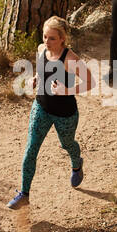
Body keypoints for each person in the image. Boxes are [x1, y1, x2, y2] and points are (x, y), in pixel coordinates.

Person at [7, 16, 91, 209]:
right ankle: (24, 193)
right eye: (45, 36)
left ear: (62, 38)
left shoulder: (70, 59)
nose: (47, 41)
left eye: (52, 38)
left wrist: (67, 90)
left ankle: (77, 163)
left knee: (67, 144)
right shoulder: (41, 49)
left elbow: (91, 82)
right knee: (30, 149)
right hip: (41, 107)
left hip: (65, 113)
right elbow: (41, 71)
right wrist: (34, 79)